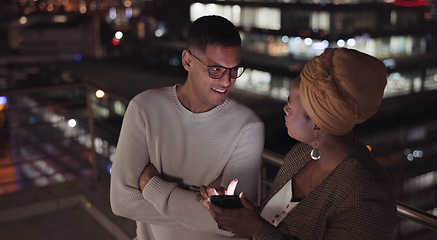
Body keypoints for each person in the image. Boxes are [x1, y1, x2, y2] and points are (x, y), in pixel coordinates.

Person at [198, 48, 397, 239]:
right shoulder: (302, 154)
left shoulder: (365, 194)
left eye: (291, 105)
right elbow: (272, 226)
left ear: (318, 122)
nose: (285, 109)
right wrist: (238, 215)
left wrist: (255, 227)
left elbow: (263, 231)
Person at [110, 15, 265, 240]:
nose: (226, 81)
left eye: (233, 70)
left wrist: (151, 186)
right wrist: (202, 207)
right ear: (188, 61)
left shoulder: (248, 126)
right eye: (215, 70)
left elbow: (234, 222)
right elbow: (122, 203)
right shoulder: (144, 108)